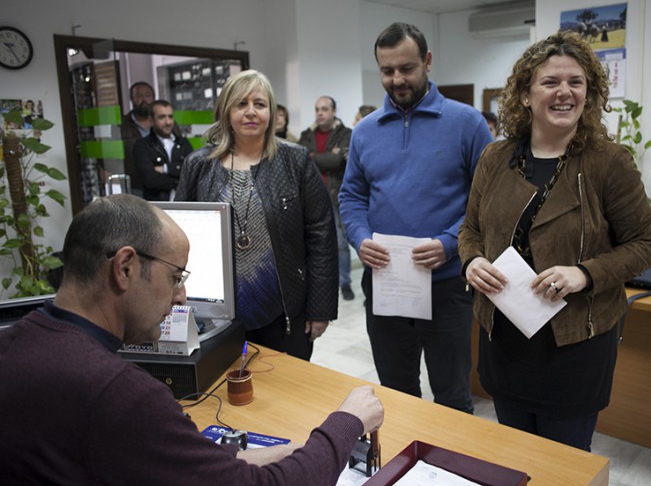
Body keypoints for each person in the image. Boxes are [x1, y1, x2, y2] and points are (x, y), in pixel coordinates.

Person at [0, 194, 384, 484]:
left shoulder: (16, 344)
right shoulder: (119, 395)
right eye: (176, 277)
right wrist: (346, 422)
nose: (182, 297)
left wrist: (241, 458)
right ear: (126, 268)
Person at [458, 30, 651, 451]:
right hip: (505, 338)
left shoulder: (609, 162)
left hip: (575, 345)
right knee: (516, 457)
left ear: (589, 94)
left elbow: (647, 243)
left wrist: (584, 274)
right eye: (550, 82)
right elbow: (470, 230)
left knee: (564, 466)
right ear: (526, 95)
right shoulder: (495, 159)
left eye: (576, 82)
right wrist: (471, 262)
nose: (564, 92)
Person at [339, 22, 494, 414]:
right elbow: (352, 195)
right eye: (387, 70)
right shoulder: (365, 132)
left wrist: (449, 242)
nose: (396, 79)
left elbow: (489, 201)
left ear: (427, 61)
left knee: (452, 396)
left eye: (406, 68)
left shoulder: (467, 123)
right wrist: (359, 238)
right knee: (394, 392)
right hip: (386, 284)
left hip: (446, 287)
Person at [175, 70, 338, 361]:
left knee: (286, 393)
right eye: (241, 104)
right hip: (216, 315)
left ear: (272, 112)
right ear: (226, 111)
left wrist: (320, 309)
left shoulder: (296, 161)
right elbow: (178, 237)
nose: (251, 112)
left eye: (260, 104)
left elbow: (321, 236)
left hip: (284, 311)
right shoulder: (198, 165)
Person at [298, 96, 354, 301]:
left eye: (324, 109)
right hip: (311, 197)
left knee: (340, 243)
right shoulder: (307, 134)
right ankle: (318, 283)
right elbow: (301, 159)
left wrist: (314, 156)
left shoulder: (345, 133)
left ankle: (345, 283)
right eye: (317, 109)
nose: (320, 113)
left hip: (335, 195)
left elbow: (339, 160)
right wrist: (325, 156)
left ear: (334, 111)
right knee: (312, 243)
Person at [133, 99, 193, 201]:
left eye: (170, 116)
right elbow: (150, 180)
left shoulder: (183, 143)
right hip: (157, 207)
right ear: (151, 120)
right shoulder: (142, 146)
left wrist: (166, 169)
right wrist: (180, 181)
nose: (168, 122)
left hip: (185, 204)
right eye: (162, 117)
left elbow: (192, 173)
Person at [121, 81, 156, 195]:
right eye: (139, 96)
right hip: (135, 185)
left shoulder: (165, 122)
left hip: (161, 184)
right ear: (132, 99)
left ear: (153, 98)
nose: (144, 100)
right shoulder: (122, 125)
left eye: (147, 95)